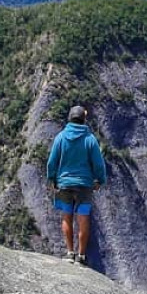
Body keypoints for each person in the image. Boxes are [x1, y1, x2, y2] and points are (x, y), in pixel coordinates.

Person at [45, 105, 107, 266]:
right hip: (84, 186)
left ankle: (70, 252)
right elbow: (98, 163)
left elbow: (52, 162)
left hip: (64, 184)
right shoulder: (89, 139)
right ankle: (81, 256)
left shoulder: (61, 137)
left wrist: (52, 179)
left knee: (66, 217)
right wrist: (100, 180)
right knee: (83, 219)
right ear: (83, 119)